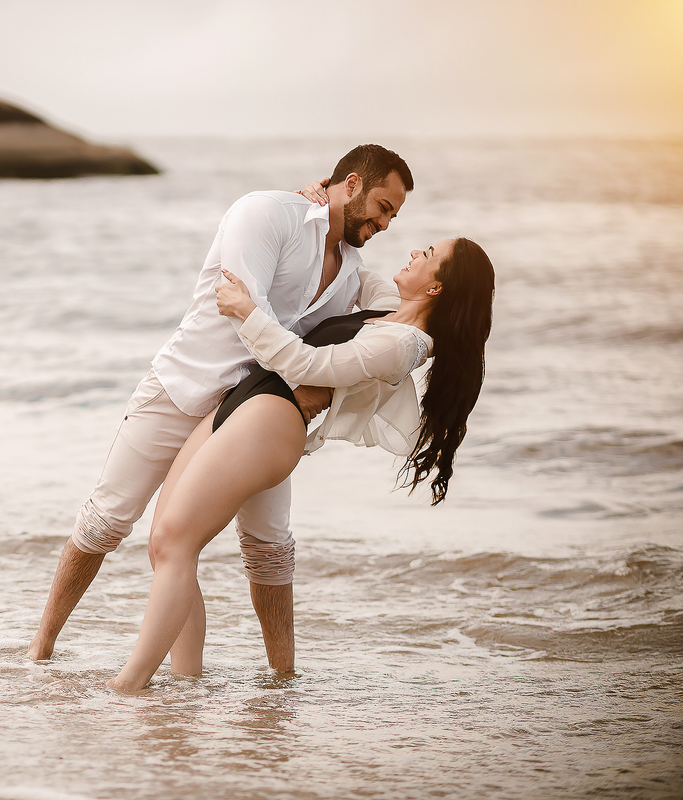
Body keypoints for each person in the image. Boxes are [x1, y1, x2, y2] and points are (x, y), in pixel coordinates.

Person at [27, 144, 415, 673]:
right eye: (384, 207)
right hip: (184, 388)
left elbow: (411, 308)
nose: (388, 223)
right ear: (350, 185)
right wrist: (304, 371)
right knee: (107, 521)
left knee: (270, 547)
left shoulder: (352, 270)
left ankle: (282, 679)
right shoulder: (266, 214)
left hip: (254, 412)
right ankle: (40, 650)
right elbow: (238, 304)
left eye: (395, 214)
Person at [107, 236, 496, 692]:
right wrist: (323, 214)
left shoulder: (405, 344)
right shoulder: (392, 309)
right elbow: (353, 266)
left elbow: (308, 364)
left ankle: (130, 684)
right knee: (163, 544)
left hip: (274, 416)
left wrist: (244, 311)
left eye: (428, 255)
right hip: (244, 399)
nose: (414, 252)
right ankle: (186, 683)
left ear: (436, 288)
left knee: (176, 539)